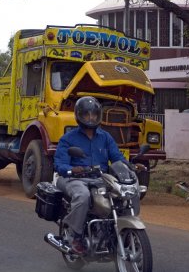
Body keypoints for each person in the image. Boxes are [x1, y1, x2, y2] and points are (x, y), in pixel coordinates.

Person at [54, 96, 143, 254]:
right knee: (82, 196)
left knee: (129, 193)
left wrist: (129, 165)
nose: (91, 118)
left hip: (99, 179)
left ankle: (123, 230)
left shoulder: (105, 137)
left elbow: (117, 158)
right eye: (87, 114)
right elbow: (60, 165)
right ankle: (75, 235)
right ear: (79, 115)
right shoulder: (68, 138)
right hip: (73, 179)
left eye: (94, 114)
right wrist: (73, 169)